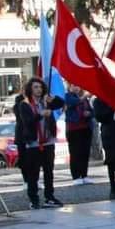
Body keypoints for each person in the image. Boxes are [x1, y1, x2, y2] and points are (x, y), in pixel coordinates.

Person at [15, 77, 65, 208]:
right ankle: (34, 199)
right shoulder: (24, 104)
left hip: (48, 141)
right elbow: (28, 121)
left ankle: (50, 197)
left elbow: (61, 103)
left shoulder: (45, 101)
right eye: (36, 87)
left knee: (49, 171)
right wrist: (41, 114)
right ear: (30, 89)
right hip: (34, 143)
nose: (39, 89)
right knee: (33, 173)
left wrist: (52, 98)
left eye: (40, 87)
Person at [64, 85, 94, 185]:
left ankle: (84, 175)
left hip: (86, 128)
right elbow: (73, 103)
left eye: (77, 85)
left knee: (85, 152)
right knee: (75, 153)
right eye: (73, 85)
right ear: (69, 87)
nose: (76, 87)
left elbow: (92, 111)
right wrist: (84, 97)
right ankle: (76, 176)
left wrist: (89, 113)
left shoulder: (84, 98)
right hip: (74, 129)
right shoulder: (68, 96)